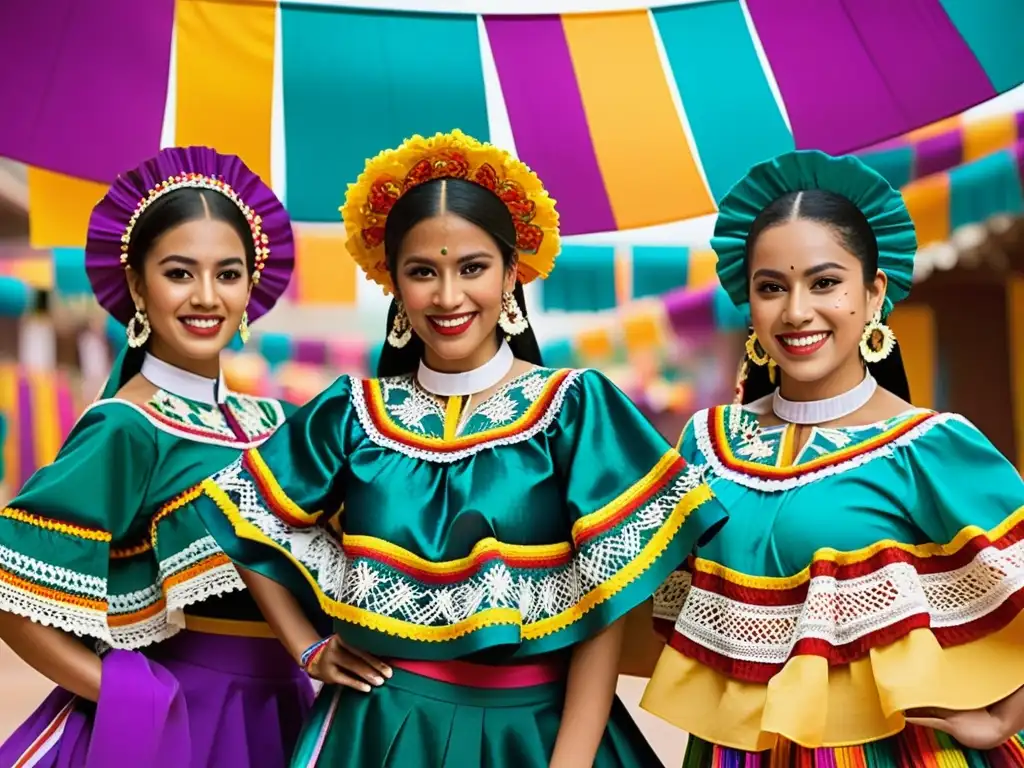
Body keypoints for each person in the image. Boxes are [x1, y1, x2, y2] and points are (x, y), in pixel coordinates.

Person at [188, 130, 728, 767]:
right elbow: (243, 513)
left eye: (471, 267)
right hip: (380, 735)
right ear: (394, 284)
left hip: (540, 736)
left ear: (510, 274)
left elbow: (603, 609)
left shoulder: (576, 407)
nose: (447, 297)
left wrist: (572, 760)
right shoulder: (351, 412)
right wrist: (307, 648)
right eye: (423, 272)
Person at [640, 150, 1024, 765]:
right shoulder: (706, 442)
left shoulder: (927, 445)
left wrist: (1003, 717)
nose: (795, 312)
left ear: (874, 293)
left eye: (824, 283)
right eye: (772, 287)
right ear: (749, 303)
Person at [0, 146, 315, 767]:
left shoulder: (273, 422)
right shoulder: (126, 426)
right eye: (179, 273)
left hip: (283, 711)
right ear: (138, 284)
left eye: (227, 273)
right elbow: (10, 587)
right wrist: (131, 695)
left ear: (252, 283)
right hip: (182, 723)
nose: (206, 296)